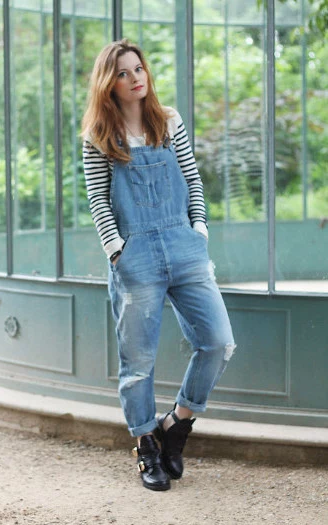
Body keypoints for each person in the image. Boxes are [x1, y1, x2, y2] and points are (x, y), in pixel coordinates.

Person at [80, 40, 235, 491]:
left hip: (184, 246)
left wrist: (199, 231)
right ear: (110, 84)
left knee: (218, 343)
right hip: (137, 255)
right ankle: (146, 444)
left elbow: (191, 177)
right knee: (138, 363)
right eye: (124, 73)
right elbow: (98, 201)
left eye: (138, 68)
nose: (135, 78)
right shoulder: (98, 137)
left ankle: (177, 425)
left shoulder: (169, 123)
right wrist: (116, 250)